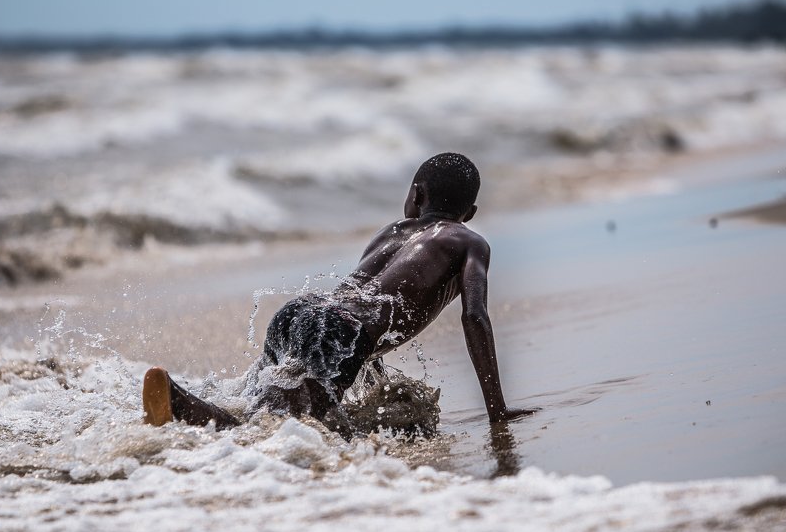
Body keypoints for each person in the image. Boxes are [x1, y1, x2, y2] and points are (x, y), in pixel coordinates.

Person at [142, 152, 535, 435]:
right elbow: (475, 317)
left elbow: (358, 300)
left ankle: (178, 400)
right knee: (270, 431)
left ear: (416, 196)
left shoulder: (391, 232)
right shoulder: (469, 241)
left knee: (261, 406)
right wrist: (496, 409)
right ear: (471, 212)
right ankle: (178, 405)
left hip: (302, 312)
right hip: (341, 328)